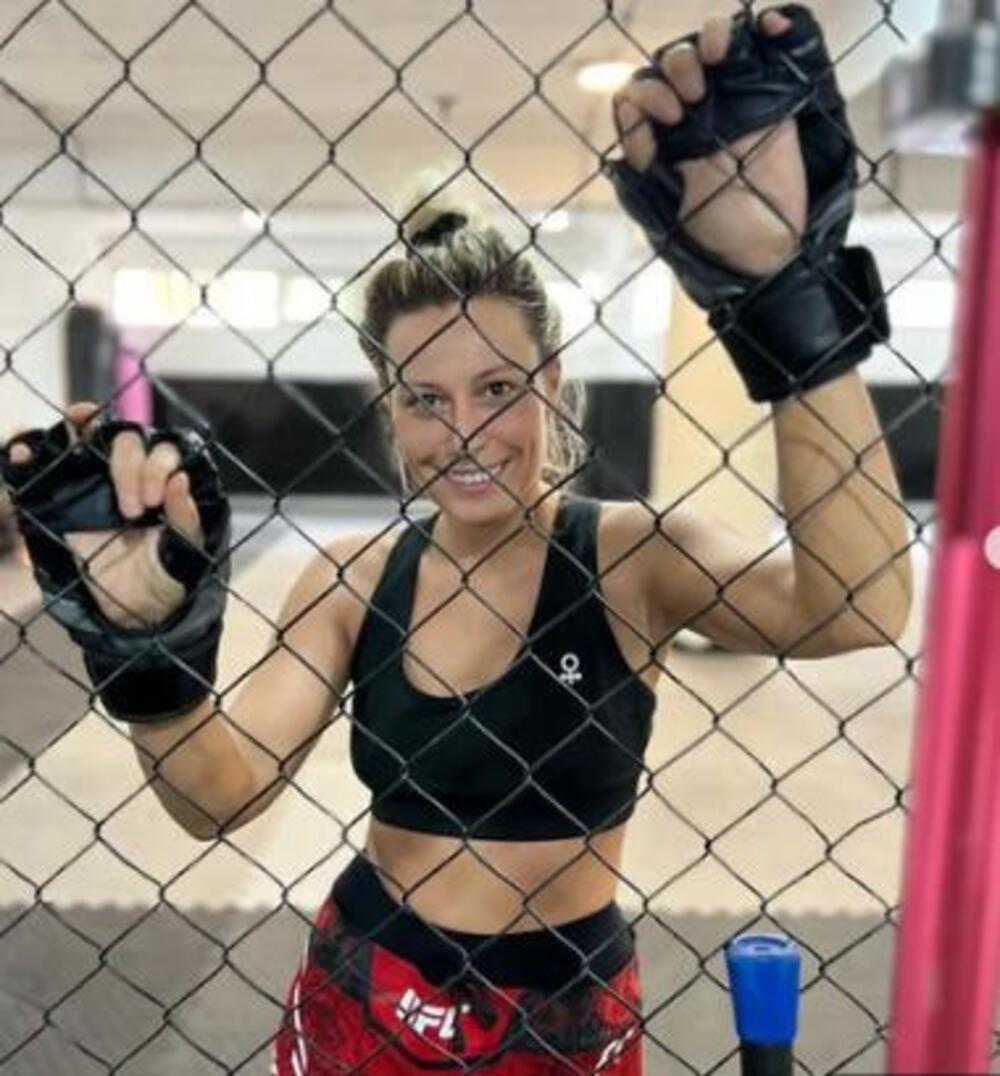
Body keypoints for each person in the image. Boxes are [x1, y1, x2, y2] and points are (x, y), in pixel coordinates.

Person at [1, 6, 914, 1073]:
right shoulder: (351, 580)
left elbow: (859, 607)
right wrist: (145, 649)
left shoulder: (631, 556)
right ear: (387, 410)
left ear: (553, 384)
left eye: (497, 388)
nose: (465, 431)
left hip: (567, 1012)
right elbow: (216, 795)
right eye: (425, 398)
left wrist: (788, 312)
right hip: (369, 990)